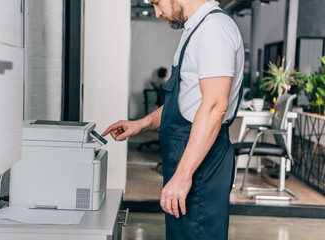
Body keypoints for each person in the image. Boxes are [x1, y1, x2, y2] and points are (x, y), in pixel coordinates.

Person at [102, 0, 244, 239]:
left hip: (201, 160)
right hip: (188, 155)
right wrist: (141, 124)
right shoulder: (195, 30)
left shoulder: (214, 30)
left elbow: (214, 107)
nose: (156, 13)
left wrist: (183, 175)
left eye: (157, 2)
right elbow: (185, 102)